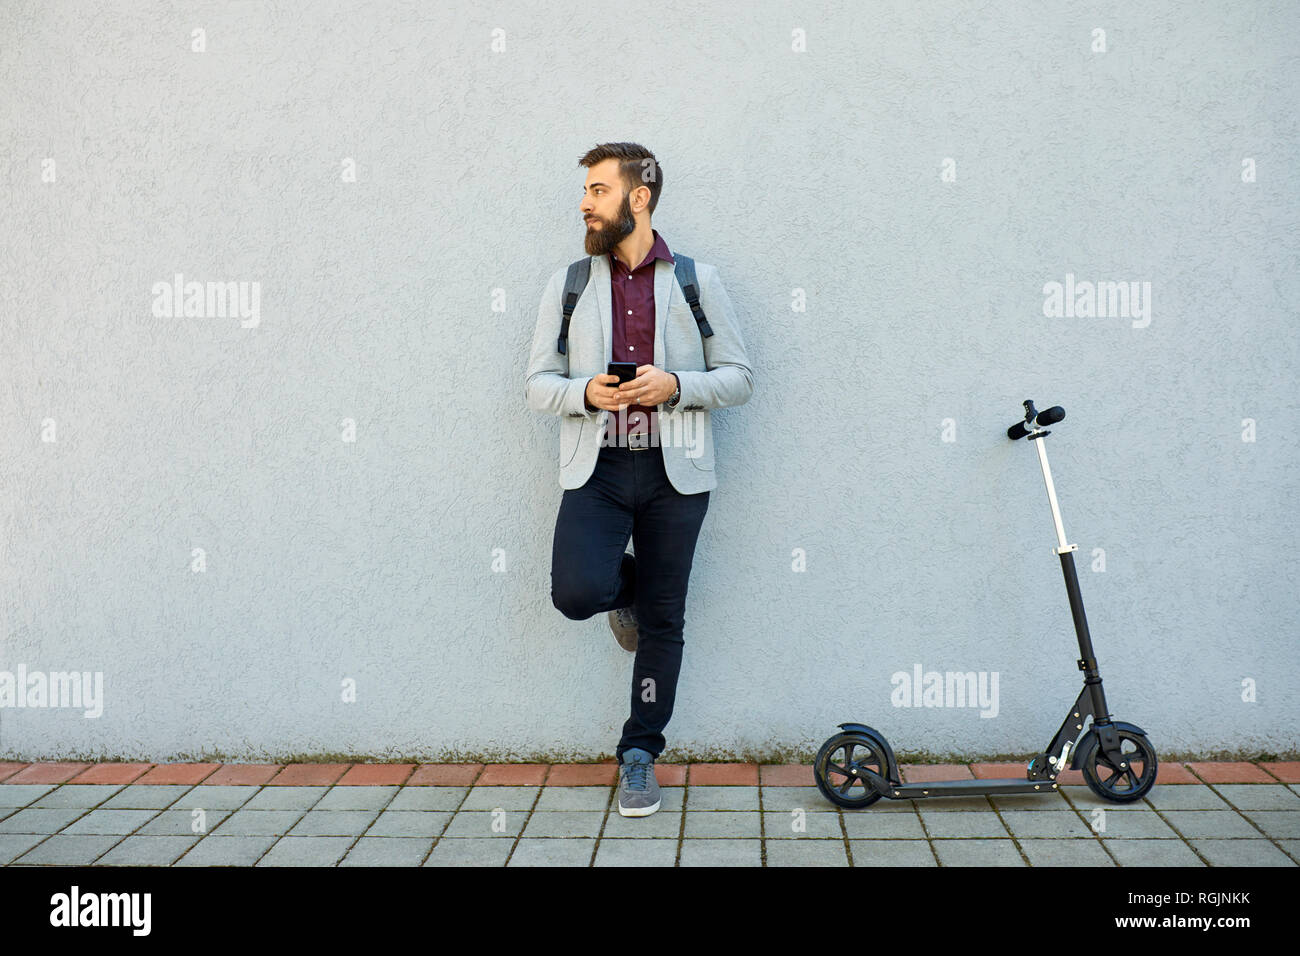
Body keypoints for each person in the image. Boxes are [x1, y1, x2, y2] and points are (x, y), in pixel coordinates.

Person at [524, 142, 754, 816]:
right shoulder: (568, 283)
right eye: (587, 191)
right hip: (597, 469)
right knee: (577, 591)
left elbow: (741, 378)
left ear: (640, 197)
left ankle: (639, 755)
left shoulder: (696, 281)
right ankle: (626, 592)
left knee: (664, 620)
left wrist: (676, 385)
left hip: (675, 471)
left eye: (598, 190)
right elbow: (537, 385)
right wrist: (587, 393)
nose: (585, 203)